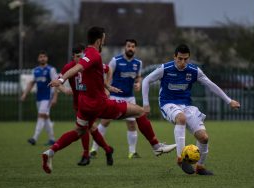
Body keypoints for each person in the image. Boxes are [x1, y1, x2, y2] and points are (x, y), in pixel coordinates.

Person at [42, 26, 176, 174]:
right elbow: (78, 68)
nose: (104, 42)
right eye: (104, 39)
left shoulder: (87, 53)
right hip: (98, 104)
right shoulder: (93, 54)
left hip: (84, 104)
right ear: (99, 40)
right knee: (139, 111)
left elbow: (93, 74)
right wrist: (61, 79)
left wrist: (107, 86)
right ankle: (156, 147)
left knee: (79, 131)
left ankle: (51, 152)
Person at [142, 44, 240, 175]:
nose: (183, 62)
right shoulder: (165, 68)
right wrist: (146, 103)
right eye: (180, 59)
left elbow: (211, 85)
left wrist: (229, 101)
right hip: (167, 103)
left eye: (186, 59)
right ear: (174, 57)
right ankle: (181, 158)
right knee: (181, 118)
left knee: (204, 138)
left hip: (186, 106)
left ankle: (200, 167)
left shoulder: (194, 71)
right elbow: (146, 80)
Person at [58, 44, 115, 166]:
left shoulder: (89, 65)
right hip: (78, 103)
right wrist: (64, 90)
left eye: (82, 56)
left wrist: (106, 86)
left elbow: (108, 69)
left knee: (86, 129)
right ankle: (107, 150)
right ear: (73, 57)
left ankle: (86, 155)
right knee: (91, 128)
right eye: (78, 56)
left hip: (91, 102)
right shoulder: (69, 67)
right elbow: (59, 81)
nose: (80, 59)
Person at [90, 39, 143, 159]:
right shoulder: (115, 60)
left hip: (130, 97)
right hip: (115, 96)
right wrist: (107, 89)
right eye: (129, 46)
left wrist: (138, 83)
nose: (130, 48)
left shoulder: (138, 63)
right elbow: (108, 74)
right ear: (125, 47)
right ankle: (94, 149)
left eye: (133, 46)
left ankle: (132, 152)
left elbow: (139, 77)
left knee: (132, 124)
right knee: (105, 121)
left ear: (135, 49)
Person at [21, 51, 58, 146]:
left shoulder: (51, 69)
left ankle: (34, 138)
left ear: (47, 58)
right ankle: (52, 139)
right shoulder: (35, 70)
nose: (42, 58)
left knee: (41, 115)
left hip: (47, 97)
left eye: (44, 56)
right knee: (45, 117)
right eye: (41, 57)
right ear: (38, 59)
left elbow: (56, 83)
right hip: (39, 98)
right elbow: (31, 83)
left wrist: (54, 97)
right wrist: (25, 94)